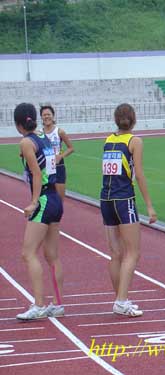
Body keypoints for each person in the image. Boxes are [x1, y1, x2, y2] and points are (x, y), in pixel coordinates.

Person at [100, 103, 157, 317]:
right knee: (132, 252)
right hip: (124, 199)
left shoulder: (108, 140)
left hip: (105, 199)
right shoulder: (135, 141)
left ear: (116, 120)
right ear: (133, 120)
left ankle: (120, 300)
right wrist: (149, 206)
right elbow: (139, 174)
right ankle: (122, 301)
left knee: (115, 254)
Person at [14, 103, 65, 320]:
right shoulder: (44, 138)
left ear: (17, 124)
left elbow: (36, 174)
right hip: (55, 198)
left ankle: (39, 305)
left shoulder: (26, 141)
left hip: (43, 199)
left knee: (28, 253)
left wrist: (33, 201)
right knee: (51, 255)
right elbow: (48, 168)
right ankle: (58, 304)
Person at [41, 105, 74, 200]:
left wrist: (61, 156)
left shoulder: (59, 132)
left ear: (53, 116)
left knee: (59, 200)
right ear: (41, 117)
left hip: (58, 167)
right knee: (45, 198)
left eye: (48, 114)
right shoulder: (39, 133)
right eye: (44, 115)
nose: (46, 117)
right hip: (45, 168)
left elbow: (71, 148)